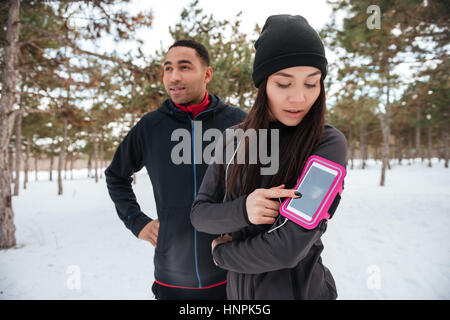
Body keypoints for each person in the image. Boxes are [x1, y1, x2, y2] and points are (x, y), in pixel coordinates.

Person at [190, 15, 347, 300]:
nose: (299, 98)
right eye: (284, 84)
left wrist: (221, 254)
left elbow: (286, 249)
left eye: (311, 84)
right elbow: (200, 215)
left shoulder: (327, 143)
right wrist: (243, 210)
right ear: (263, 85)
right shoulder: (232, 139)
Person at [105, 39, 247, 300]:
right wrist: (137, 222)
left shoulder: (239, 123)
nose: (174, 76)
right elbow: (116, 175)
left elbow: (263, 183)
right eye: (167, 68)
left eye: (184, 67)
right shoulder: (150, 127)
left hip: (230, 274)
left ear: (207, 74)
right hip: (172, 278)